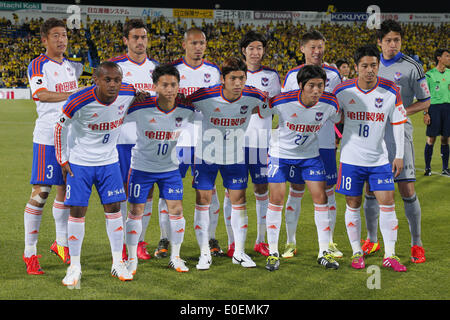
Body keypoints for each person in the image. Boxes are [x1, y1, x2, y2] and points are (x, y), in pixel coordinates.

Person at [54, 62, 140, 287]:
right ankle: (74, 266)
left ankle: (117, 262)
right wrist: (62, 158)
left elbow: (145, 98)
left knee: (114, 210)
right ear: (96, 79)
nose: (113, 84)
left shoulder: (128, 92)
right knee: (77, 212)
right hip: (80, 164)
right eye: (108, 80)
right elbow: (59, 127)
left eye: (117, 80)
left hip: (109, 162)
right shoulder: (79, 100)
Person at [188, 57, 267, 270]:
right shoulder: (205, 96)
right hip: (206, 157)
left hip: (235, 157)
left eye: (242, 78)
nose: (238, 83)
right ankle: (204, 253)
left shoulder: (254, 96)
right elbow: (182, 104)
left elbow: (269, 108)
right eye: (233, 78)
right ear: (223, 79)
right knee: (203, 202)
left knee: (239, 202)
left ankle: (239, 252)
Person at [334, 44, 407, 272]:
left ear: (378, 66)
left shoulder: (391, 90)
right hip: (351, 158)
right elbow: (334, 117)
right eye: (364, 66)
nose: (369, 70)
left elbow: (398, 123)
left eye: (373, 65)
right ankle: (357, 251)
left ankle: (390, 255)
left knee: (388, 203)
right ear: (356, 68)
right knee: (353, 204)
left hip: (379, 160)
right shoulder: (342, 90)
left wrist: (399, 155)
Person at [362, 20, 430, 264]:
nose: (393, 45)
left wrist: (402, 112)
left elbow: (425, 101)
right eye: (388, 40)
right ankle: (371, 239)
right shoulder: (371, 65)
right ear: (380, 42)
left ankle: (416, 244)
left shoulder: (413, 67)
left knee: (407, 189)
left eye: (397, 40)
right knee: (370, 189)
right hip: (372, 136)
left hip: (400, 134)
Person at [264, 65, 341, 271]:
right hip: (281, 156)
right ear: (301, 86)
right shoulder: (282, 101)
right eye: (311, 86)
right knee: (277, 199)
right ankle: (272, 252)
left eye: (320, 86)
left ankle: (324, 252)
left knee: (321, 197)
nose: (316, 90)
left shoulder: (329, 102)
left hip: (310, 156)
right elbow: (262, 114)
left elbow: (340, 119)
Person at [124, 64, 194, 274]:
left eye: (174, 84)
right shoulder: (140, 106)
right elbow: (116, 115)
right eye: (165, 85)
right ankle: (132, 258)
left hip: (170, 169)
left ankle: (176, 256)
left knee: (177, 210)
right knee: (136, 211)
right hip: (141, 168)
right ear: (154, 86)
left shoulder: (186, 109)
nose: (170, 89)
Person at [23, 18, 80, 275]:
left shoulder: (69, 66)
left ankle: (60, 243)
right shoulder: (38, 64)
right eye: (55, 35)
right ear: (44, 39)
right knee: (41, 192)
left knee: (65, 191)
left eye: (64, 35)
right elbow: (40, 94)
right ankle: (30, 253)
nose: (61, 40)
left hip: (69, 137)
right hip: (47, 137)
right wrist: (73, 96)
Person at [280, 30, 343, 259]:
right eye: (312, 47)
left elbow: (338, 108)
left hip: (325, 143)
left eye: (320, 47)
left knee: (328, 193)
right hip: (299, 145)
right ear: (302, 49)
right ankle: (289, 242)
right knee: (296, 190)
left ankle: (330, 242)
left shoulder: (334, 74)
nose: (317, 51)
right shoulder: (292, 75)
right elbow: (286, 109)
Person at [220, 30, 281, 258]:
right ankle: (232, 242)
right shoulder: (232, 74)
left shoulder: (272, 77)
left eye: (259, 48)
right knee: (232, 191)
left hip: (260, 143)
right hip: (234, 142)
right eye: (251, 48)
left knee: (261, 190)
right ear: (243, 51)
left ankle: (260, 241)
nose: (256, 52)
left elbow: (275, 107)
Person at [164, 27, 222, 259]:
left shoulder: (213, 71)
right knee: (168, 191)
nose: (198, 47)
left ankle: (211, 237)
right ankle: (164, 239)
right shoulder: (174, 70)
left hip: (206, 138)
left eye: (202, 43)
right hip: (177, 139)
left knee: (210, 191)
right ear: (184, 44)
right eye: (194, 43)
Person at [110, 18, 159, 261]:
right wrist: (130, 100)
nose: (140, 42)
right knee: (119, 195)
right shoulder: (114, 68)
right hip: (120, 140)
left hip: (147, 141)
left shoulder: (157, 68)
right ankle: (120, 244)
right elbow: (104, 101)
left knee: (145, 196)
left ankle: (139, 242)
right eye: (135, 38)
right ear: (126, 40)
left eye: (144, 37)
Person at [423, 48, 450, 176]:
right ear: (439, 58)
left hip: (447, 108)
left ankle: (445, 168)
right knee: (431, 139)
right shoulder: (430, 75)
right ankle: (427, 168)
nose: (449, 58)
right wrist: (426, 113)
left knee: (445, 139)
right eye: (447, 56)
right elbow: (425, 96)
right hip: (434, 108)